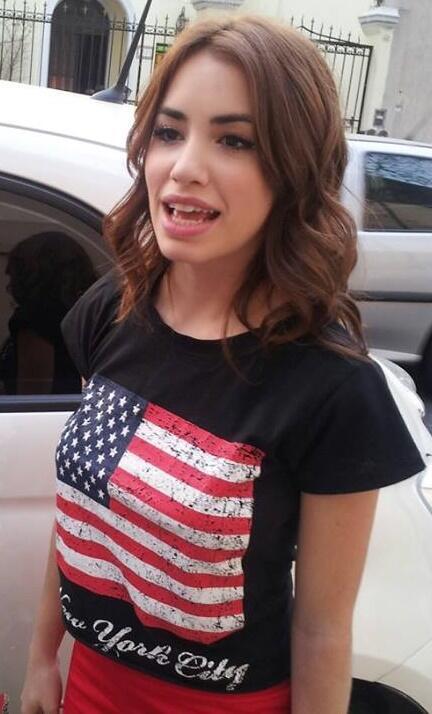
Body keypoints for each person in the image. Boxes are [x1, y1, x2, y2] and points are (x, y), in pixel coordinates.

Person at [21, 15, 424, 714]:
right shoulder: (111, 308)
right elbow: (84, 512)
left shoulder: (333, 387)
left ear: (293, 171)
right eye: (169, 132)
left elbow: (323, 631)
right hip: (90, 685)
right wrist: (40, 659)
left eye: (234, 140)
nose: (184, 166)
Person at [0, 232, 97, 395]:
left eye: (15, 273)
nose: (10, 284)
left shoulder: (34, 320)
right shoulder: (86, 313)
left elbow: (31, 394)